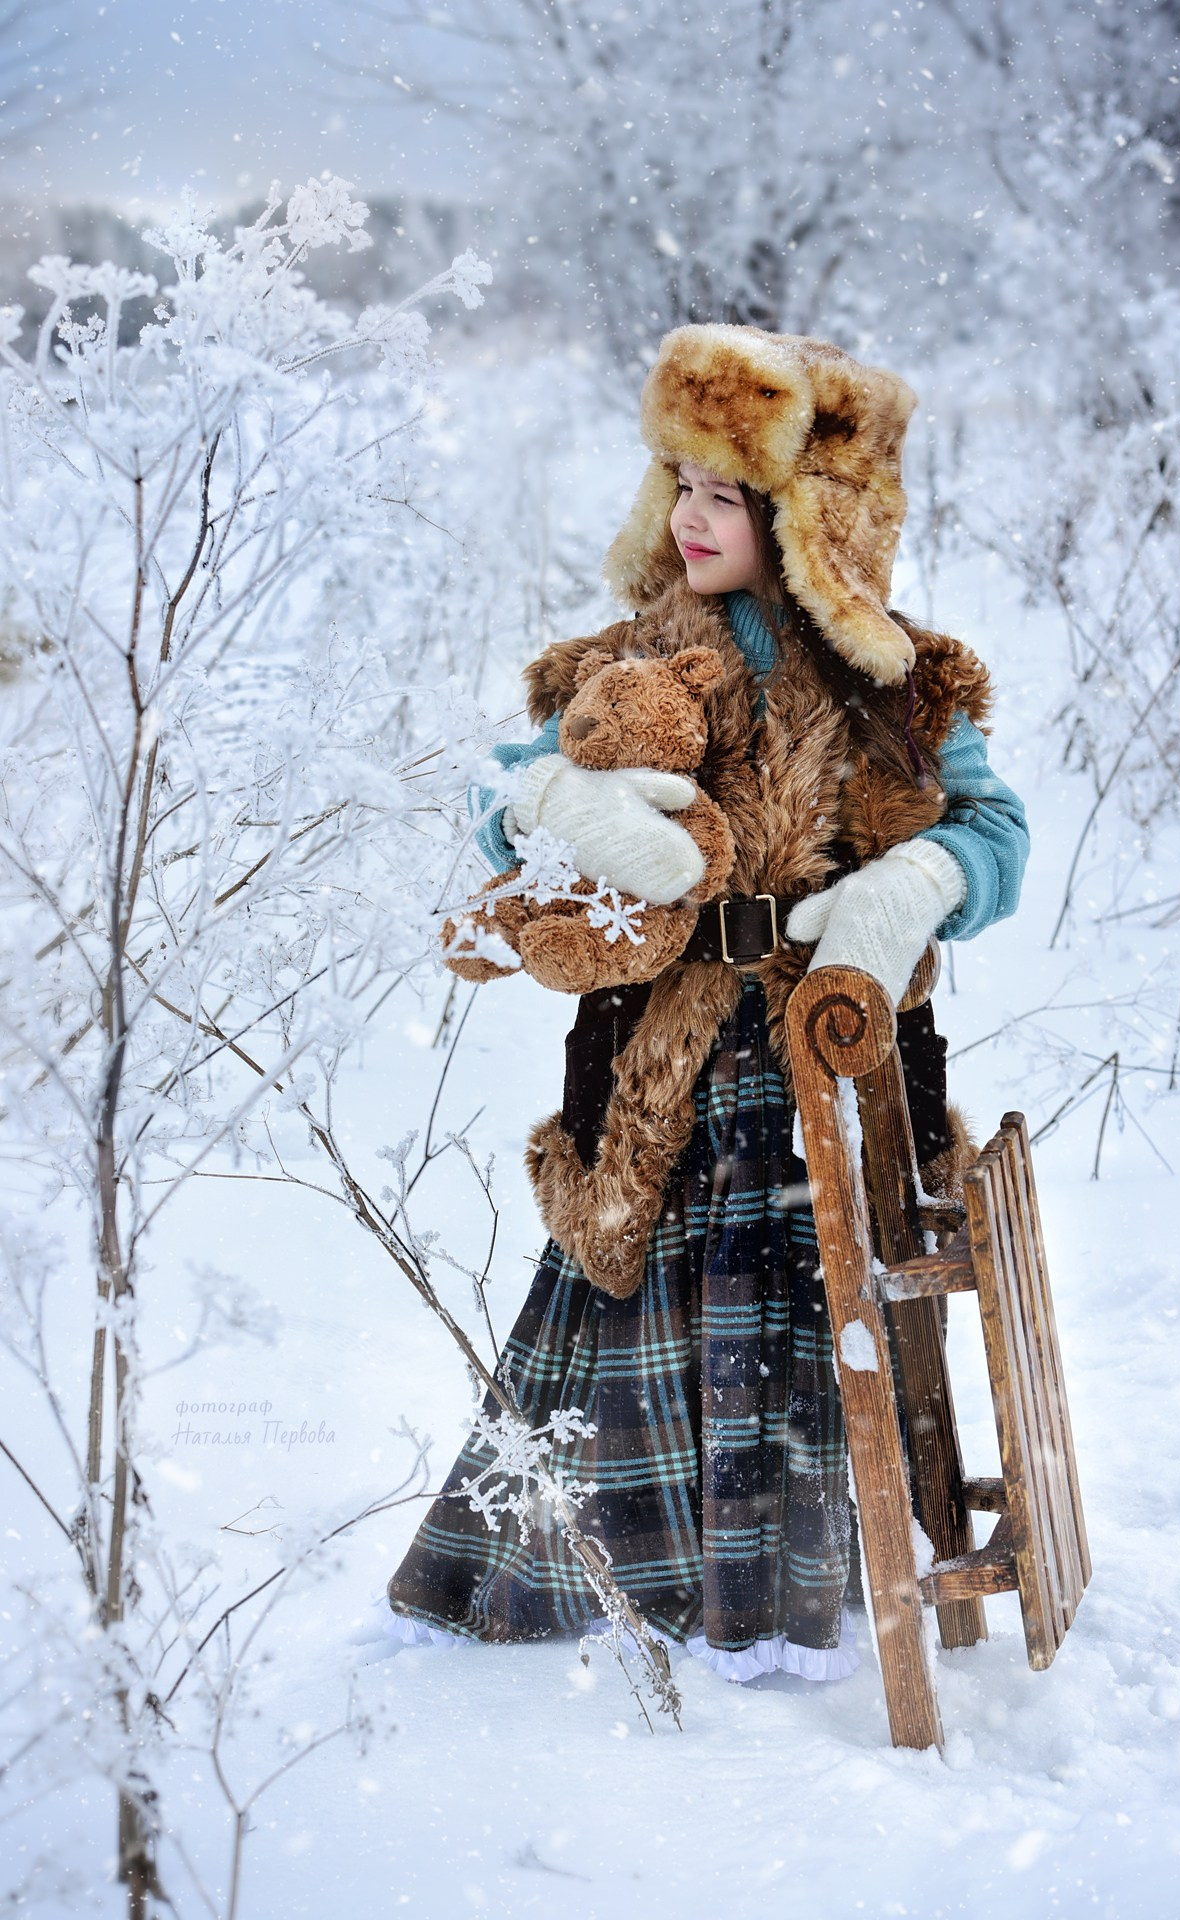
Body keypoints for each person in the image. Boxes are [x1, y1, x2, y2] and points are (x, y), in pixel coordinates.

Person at [382, 325, 1028, 1682]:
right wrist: (543, 801)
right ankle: (626, 1587)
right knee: (641, 1295)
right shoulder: (614, 669)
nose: (687, 514)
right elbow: (496, 795)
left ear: (805, 513)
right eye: (675, 480)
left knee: (812, 1306)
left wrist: (915, 882)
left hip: (830, 1052)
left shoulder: (897, 683)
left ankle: (802, 1590)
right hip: (656, 1055)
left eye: (722, 491)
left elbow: (995, 829)